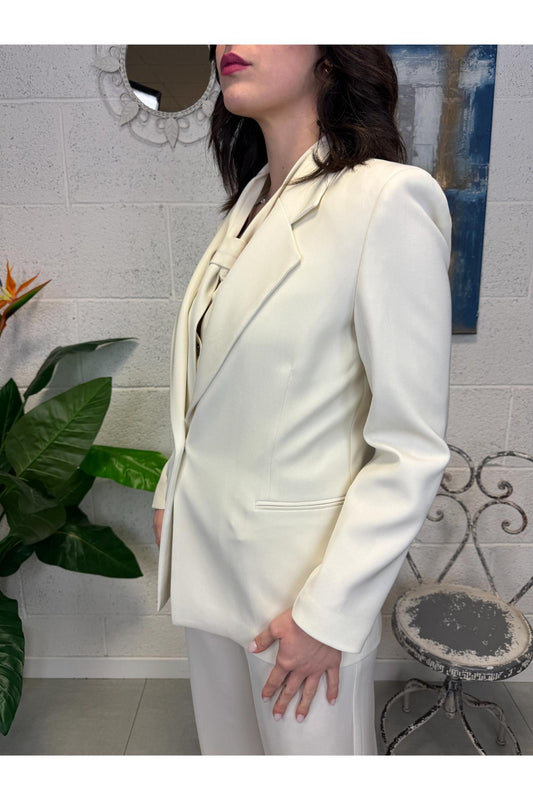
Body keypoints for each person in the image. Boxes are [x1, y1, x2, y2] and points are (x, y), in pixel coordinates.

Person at [152, 45, 452, 755]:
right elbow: (218, 385)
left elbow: (410, 447)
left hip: (299, 591)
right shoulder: (253, 201)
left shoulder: (384, 199)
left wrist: (329, 613)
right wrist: (172, 487)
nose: (230, 36)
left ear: (330, 55)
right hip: (207, 562)